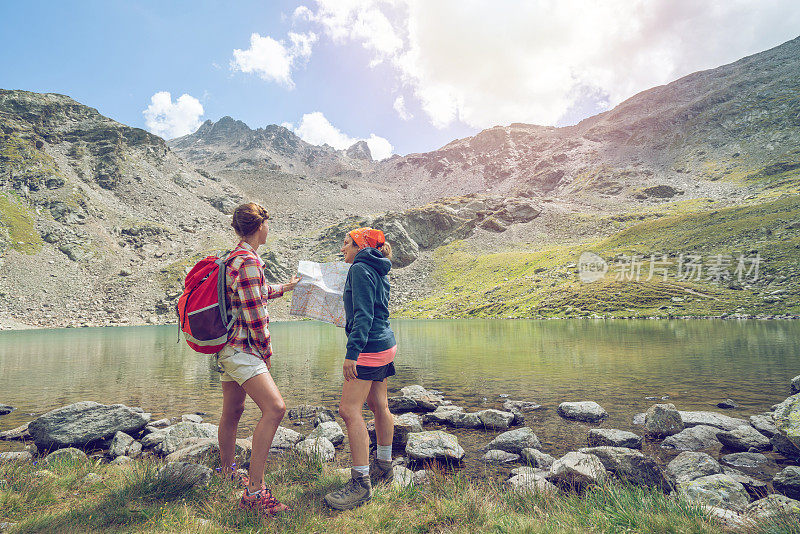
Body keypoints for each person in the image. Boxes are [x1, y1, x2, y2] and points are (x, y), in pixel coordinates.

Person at [217, 202, 300, 516]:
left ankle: (227, 471)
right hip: (244, 350)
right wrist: (266, 355)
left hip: (225, 348)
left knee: (234, 410)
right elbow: (255, 318)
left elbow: (254, 293)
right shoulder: (250, 262)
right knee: (275, 408)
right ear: (259, 226)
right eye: (267, 222)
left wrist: (284, 288)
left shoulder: (231, 257)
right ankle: (254, 492)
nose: (269, 227)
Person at [324, 227, 397, 511]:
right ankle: (384, 467)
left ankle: (361, 484)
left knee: (348, 410)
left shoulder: (359, 269)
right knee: (379, 404)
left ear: (359, 245)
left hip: (368, 347)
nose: (342, 249)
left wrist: (351, 354)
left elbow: (364, 315)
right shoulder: (376, 267)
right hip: (385, 342)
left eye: (345, 244)